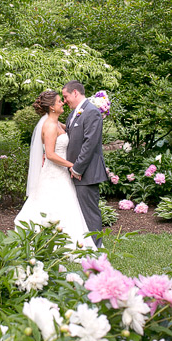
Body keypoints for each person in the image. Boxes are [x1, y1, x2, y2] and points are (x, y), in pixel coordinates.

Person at [14, 90, 95, 250]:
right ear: (51, 107)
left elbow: (72, 130)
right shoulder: (50, 126)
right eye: (59, 101)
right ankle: (58, 243)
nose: (62, 103)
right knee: (58, 204)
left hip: (59, 173)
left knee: (62, 206)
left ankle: (61, 241)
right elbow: (50, 154)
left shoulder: (57, 123)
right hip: (54, 173)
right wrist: (71, 165)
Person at [62, 80, 108, 248]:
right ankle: (84, 243)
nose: (64, 100)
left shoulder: (92, 112)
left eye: (65, 96)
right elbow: (70, 135)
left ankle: (96, 246)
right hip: (76, 172)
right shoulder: (74, 113)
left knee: (89, 211)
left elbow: (90, 144)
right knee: (80, 211)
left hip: (86, 172)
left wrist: (77, 168)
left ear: (75, 93)